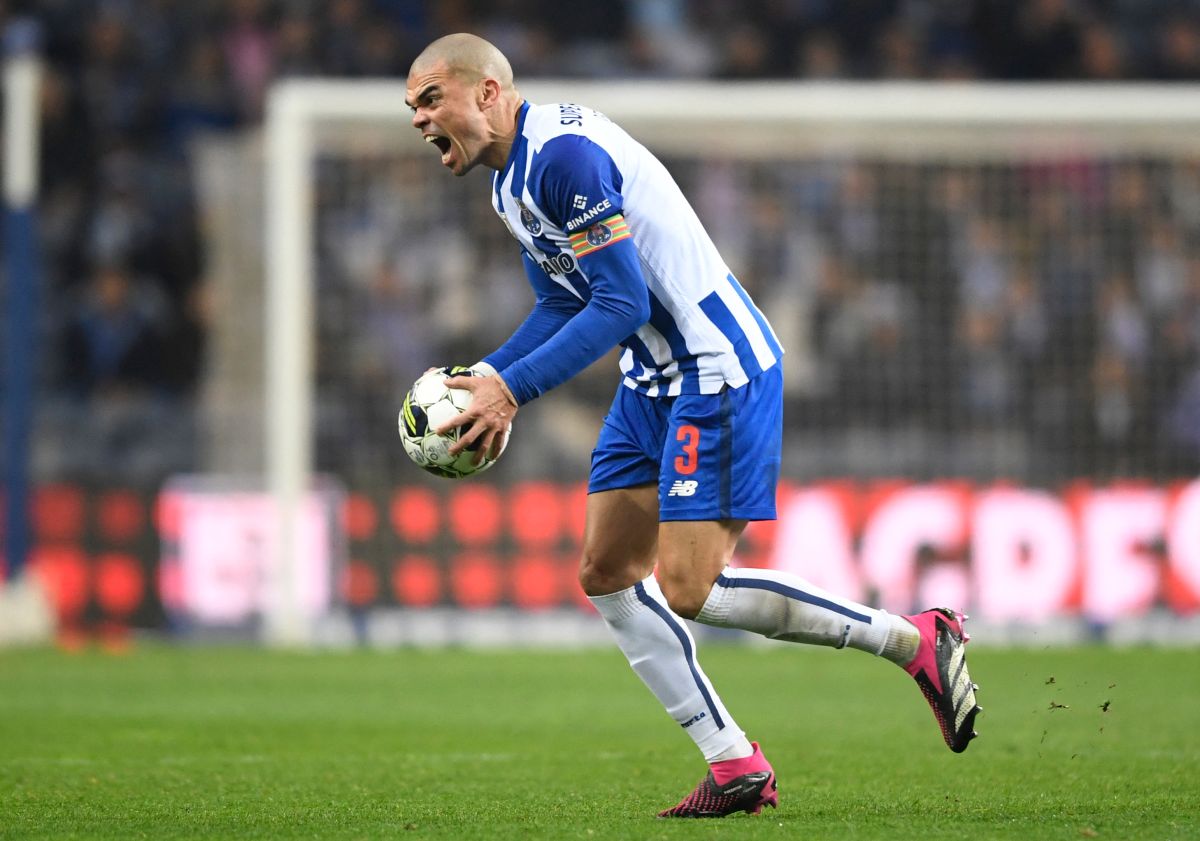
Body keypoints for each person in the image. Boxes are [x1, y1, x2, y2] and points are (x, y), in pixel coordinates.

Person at [405, 33, 981, 819]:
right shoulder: (509, 184)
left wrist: (513, 391)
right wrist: (492, 372)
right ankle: (735, 762)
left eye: (430, 97)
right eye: (412, 106)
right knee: (606, 572)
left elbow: (620, 303)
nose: (418, 117)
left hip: (716, 366)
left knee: (688, 586)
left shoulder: (564, 159)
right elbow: (561, 301)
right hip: (652, 378)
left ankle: (915, 638)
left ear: (488, 93)